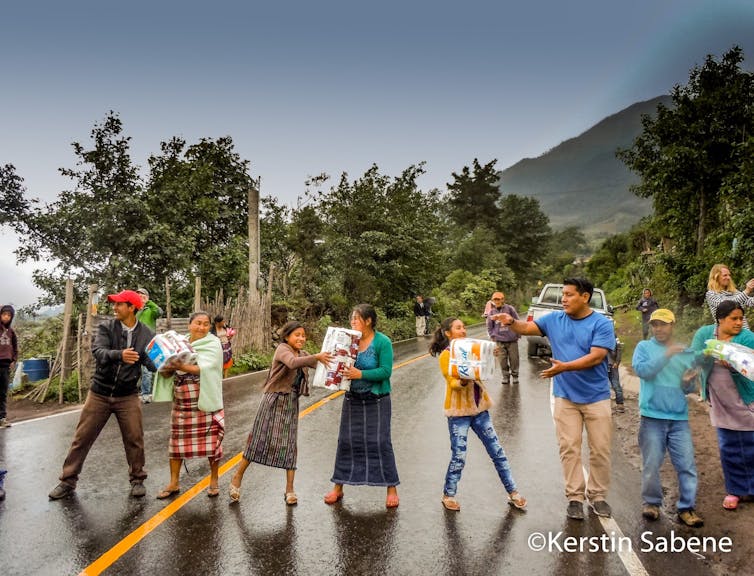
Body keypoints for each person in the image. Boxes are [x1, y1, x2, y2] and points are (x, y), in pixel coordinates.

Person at [492, 277, 615, 520]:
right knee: (569, 448)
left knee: (600, 449)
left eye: (569, 294)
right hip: (565, 397)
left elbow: (596, 357)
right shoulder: (554, 319)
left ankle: (598, 496)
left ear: (585, 297)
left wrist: (564, 367)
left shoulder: (601, 323)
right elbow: (527, 328)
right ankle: (575, 498)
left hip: (596, 396)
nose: (564, 299)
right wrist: (511, 322)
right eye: (563, 295)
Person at [49, 290, 155, 500]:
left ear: (132, 307)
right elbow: (98, 351)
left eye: (119, 304)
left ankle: (137, 479)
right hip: (99, 393)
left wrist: (167, 365)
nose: (114, 308)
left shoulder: (146, 334)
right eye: (114, 304)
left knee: (135, 438)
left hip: (128, 396)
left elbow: (149, 362)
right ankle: (67, 481)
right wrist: (120, 355)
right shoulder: (107, 327)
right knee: (82, 438)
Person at [228, 321, 332, 504]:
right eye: (297, 335)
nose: (301, 338)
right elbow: (292, 363)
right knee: (259, 439)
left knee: (290, 444)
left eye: (303, 335)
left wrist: (338, 364)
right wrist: (317, 356)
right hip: (273, 400)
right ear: (287, 337)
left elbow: (321, 365)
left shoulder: (303, 354)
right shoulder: (282, 349)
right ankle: (237, 478)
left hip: (291, 403)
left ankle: (290, 490)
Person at [429, 317, 526, 512]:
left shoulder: (471, 349)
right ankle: (448, 494)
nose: (463, 330)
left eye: (464, 327)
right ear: (448, 333)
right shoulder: (446, 356)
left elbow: (484, 372)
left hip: (480, 409)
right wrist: (463, 380)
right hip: (458, 413)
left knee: (497, 452)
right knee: (459, 456)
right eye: (458, 328)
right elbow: (453, 383)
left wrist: (490, 355)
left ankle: (513, 492)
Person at [324, 304, 400, 508]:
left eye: (356, 319)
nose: (352, 322)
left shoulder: (382, 342)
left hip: (377, 399)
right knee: (346, 441)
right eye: (351, 319)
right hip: (353, 398)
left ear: (368, 321)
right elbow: (339, 364)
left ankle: (391, 487)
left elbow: (386, 371)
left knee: (381, 442)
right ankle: (338, 487)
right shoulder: (349, 340)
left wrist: (361, 374)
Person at [632, 309, 704, 527]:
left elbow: (687, 388)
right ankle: (652, 503)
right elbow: (643, 371)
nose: (658, 328)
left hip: (678, 418)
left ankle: (686, 508)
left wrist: (687, 381)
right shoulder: (643, 347)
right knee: (652, 463)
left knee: (687, 465)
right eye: (655, 325)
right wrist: (667, 355)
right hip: (652, 416)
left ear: (673, 325)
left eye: (663, 324)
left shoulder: (685, 352)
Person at [152, 311, 225, 499]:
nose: (202, 327)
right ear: (189, 324)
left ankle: (214, 480)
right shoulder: (179, 342)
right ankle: (174, 482)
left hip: (204, 397)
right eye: (198, 323)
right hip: (182, 400)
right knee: (176, 443)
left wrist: (178, 365)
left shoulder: (213, 343)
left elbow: (205, 368)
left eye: (206, 324)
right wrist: (167, 365)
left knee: (212, 442)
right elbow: (165, 369)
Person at [691, 300, 754, 511]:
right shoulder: (705, 335)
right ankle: (735, 490)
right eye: (733, 319)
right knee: (729, 446)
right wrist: (706, 355)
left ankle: (752, 488)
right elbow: (692, 358)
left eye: (740, 318)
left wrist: (735, 366)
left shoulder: (747, 337)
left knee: (751, 444)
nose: (738, 322)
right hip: (720, 400)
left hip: (745, 399)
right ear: (720, 319)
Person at [705, 264, 754, 329]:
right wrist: (747, 291)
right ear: (716, 277)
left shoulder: (734, 292)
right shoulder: (711, 294)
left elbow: (750, 302)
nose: (728, 278)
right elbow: (727, 305)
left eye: (729, 275)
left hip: (744, 333)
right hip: (727, 335)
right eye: (725, 275)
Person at [486, 291, 520, 385]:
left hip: (512, 340)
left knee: (514, 359)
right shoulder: (491, 312)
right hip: (499, 340)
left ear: (503, 299)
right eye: (494, 299)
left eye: (498, 299)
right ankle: (505, 376)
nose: (496, 301)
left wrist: (518, 334)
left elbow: (517, 321)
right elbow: (489, 327)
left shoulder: (510, 309)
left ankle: (515, 376)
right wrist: (493, 336)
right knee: (502, 360)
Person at [135, 288, 162, 403]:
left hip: (148, 343)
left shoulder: (151, 309)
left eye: (142, 295)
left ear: (147, 297)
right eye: (138, 296)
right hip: (135, 343)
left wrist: (148, 302)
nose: (140, 297)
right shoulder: (135, 310)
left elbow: (159, 312)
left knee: (146, 370)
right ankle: (133, 394)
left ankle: (146, 394)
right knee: (134, 369)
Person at [0, 305, 18, 428]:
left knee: (2, 392)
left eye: (9, 315)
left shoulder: (11, 332)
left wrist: (14, 360)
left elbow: (15, 347)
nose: (6, 317)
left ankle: (2, 418)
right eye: (4, 314)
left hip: (5, 365)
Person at [607, 336, 625, 413]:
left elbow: (619, 349)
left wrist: (617, 362)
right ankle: (605, 406)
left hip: (612, 365)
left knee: (616, 384)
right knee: (603, 386)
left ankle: (620, 404)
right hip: (602, 365)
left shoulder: (615, 337)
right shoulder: (598, 334)